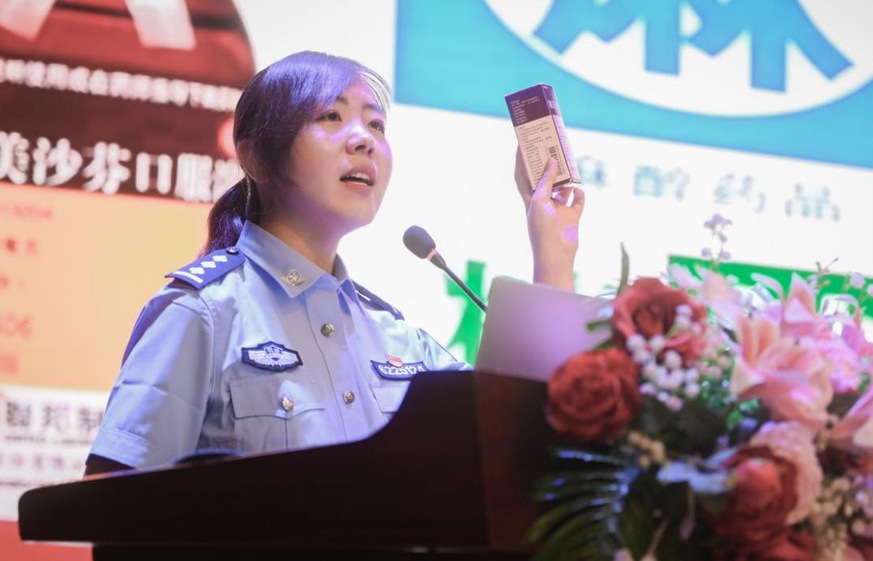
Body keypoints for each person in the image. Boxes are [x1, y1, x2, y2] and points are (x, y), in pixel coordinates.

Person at [84, 52, 584, 474]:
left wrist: (553, 248)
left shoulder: (394, 338)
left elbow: (514, 435)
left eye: (376, 124)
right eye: (331, 117)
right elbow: (114, 502)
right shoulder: (203, 314)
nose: (364, 139)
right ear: (256, 158)